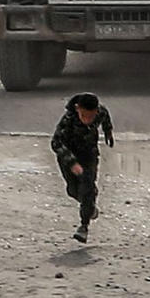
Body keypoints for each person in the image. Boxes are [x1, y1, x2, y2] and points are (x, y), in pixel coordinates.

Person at [50, 91, 114, 244]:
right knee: (73, 190)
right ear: (78, 108)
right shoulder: (68, 120)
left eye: (91, 117)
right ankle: (90, 206)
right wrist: (72, 162)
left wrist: (108, 132)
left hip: (89, 156)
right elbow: (56, 143)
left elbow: (105, 116)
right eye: (84, 116)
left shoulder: (100, 112)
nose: (87, 120)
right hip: (69, 157)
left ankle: (84, 226)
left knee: (86, 187)